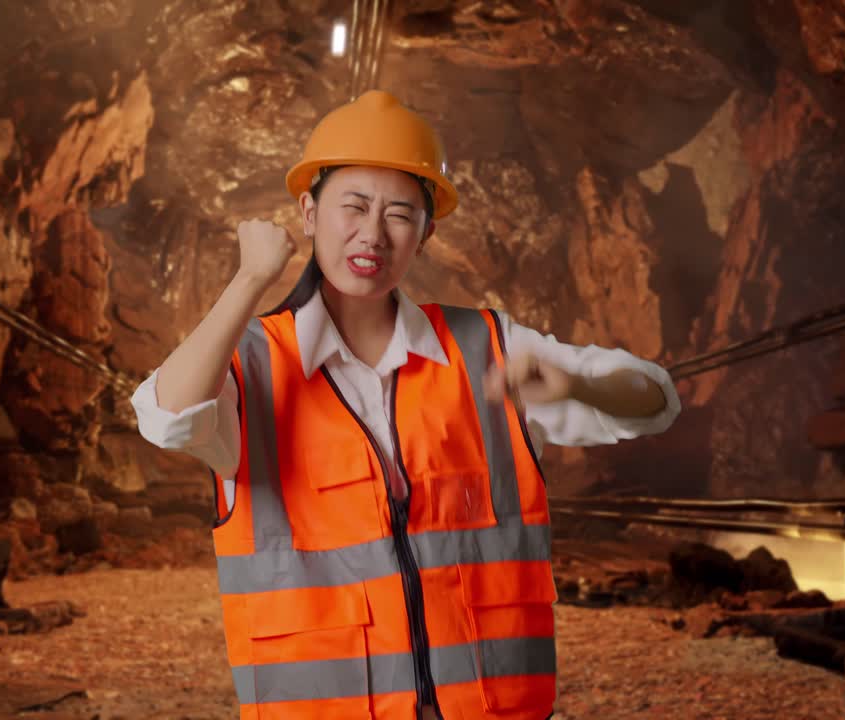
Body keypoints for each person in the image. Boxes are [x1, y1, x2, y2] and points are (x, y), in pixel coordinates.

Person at [131, 90, 681, 720]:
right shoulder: (250, 362)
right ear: (308, 212)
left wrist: (580, 386)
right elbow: (166, 417)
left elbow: (654, 400)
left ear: (427, 233)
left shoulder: (485, 345)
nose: (373, 233)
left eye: (399, 214)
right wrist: (249, 280)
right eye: (353, 207)